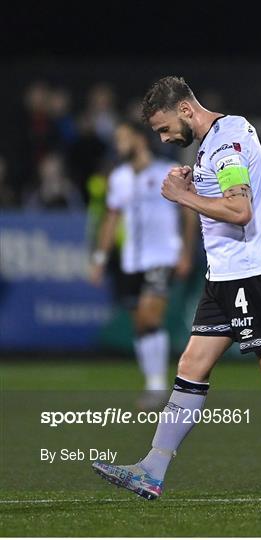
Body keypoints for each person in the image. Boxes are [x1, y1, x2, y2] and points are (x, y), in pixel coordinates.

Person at [92, 76, 261, 503]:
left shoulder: (224, 143)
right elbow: (227, 191)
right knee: (192, 363)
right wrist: (197, 183)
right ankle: (151, 470)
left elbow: (239, 208)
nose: (163, 137)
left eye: (164, 128)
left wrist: (182, 196)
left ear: (186, 111)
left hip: (249, 274)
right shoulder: (221, 136)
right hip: (224, 277)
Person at [89, 120, 197, 408]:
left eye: (123, 138)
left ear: (139, 140)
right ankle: (154, 383)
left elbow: (188, 214)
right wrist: (100, 258)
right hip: (131, 261)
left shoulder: (166, 172)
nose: (118, 145)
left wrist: (186, 252)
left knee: (150, 317)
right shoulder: (119, 177)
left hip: (162, 256)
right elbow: (111, 219)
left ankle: (158, 386)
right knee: (140, 323)